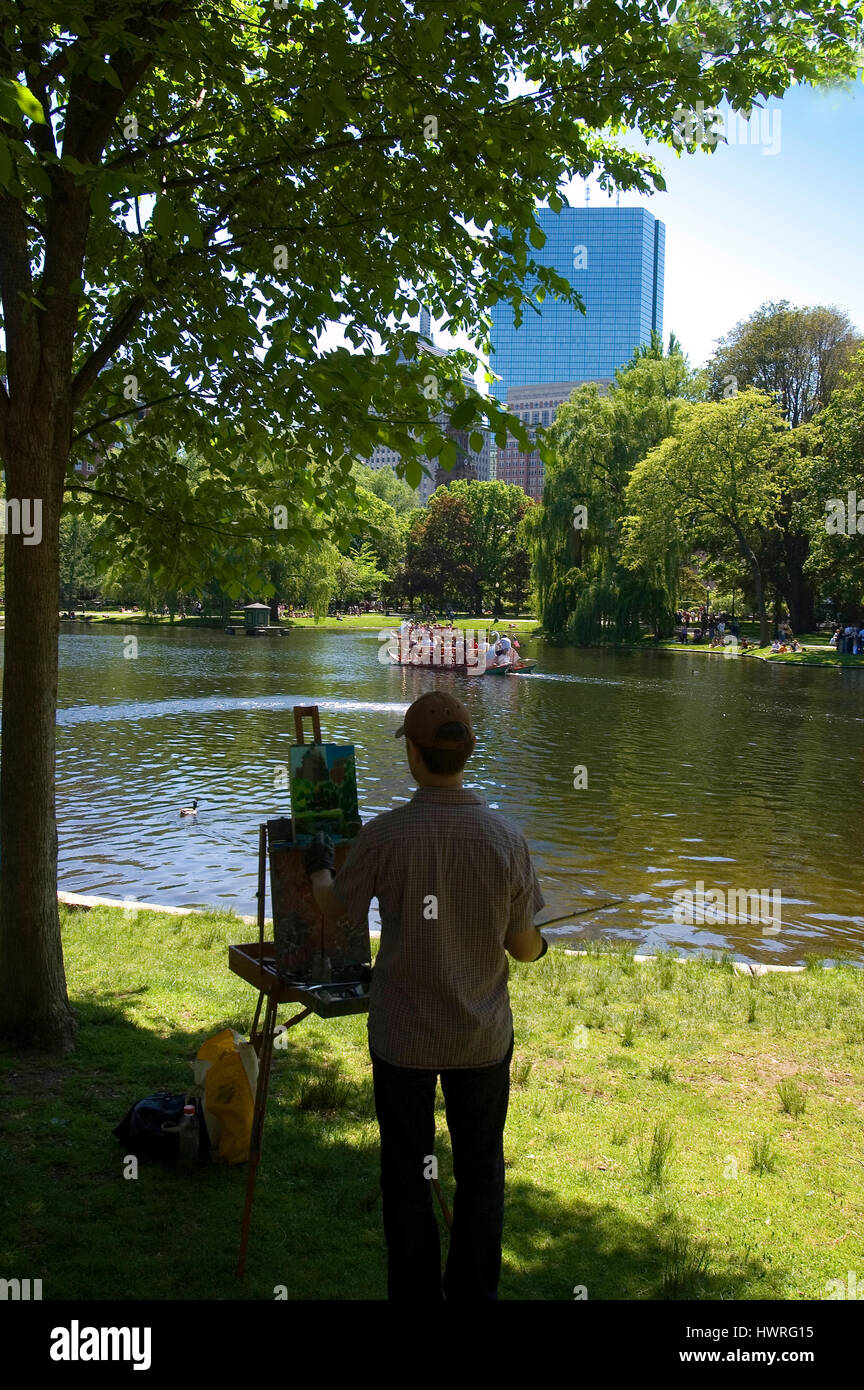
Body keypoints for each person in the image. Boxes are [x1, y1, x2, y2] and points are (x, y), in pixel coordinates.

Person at [303, 690, 547, 1301]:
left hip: (403, 1035)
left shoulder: (385, 835)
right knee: (482, 1174)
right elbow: (523, 947)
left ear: (413, 754)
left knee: (407, 1175)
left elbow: (336, 910)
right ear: (466, 752)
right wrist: (539, 946)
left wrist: (317, 869)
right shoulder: (505, 837)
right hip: (479, 1037)